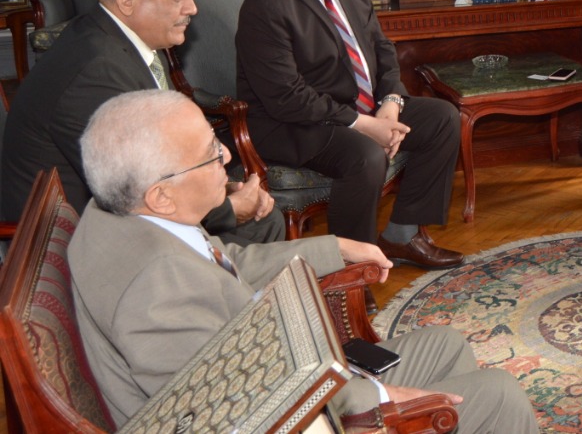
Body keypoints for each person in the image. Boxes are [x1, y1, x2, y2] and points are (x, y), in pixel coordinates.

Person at [69, 90, 538, 433]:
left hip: (277, 374)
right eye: (210, 156)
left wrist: (332, 246)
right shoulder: (155, 289)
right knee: (500, 393)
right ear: (162, 195)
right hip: (289, 415)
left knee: (447, 345)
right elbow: (242, 408)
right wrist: (373, 397)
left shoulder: (122, 210)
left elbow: (224, 263)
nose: (228, 155)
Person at [1, 0, 281, 245]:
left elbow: (157, 160)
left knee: (264, 219)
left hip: (121, 209)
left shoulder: (115, 36)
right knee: (262, 225)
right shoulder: (95, 72)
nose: (192, 8)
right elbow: (135, 193)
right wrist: (228, 208)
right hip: (75, 240)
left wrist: (215, 189)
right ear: (129, 0)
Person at [236, 0, 463, 269]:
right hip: (293, 124)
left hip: (358, 106)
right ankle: (350, 267)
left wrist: (390, 101)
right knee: (364, 154)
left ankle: (401, 236)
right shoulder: (266, 6)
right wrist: (364, 124)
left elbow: (381, 47)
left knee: (442, 118)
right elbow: (286, 98)